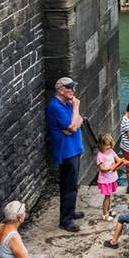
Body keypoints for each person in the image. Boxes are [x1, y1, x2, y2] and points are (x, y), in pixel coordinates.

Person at [46, 76, 85, 232]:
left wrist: (73, 123)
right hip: (66, 152)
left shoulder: (67, 103)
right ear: (60, 90)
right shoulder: (56, 106)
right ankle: (65, 220)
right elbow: (72, 127)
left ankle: (70, 211)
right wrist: (75, 110)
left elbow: (79, 121)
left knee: (73, 184)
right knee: (68, 186)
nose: (73, 91)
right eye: (70, 88)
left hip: (74, 148)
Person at [95, 133, 129, 221]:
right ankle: (105, 214)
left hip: (112, 178)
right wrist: (111, 167)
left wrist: (124, 162)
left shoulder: (111, 151)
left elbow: (118, 159)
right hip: (105, 180)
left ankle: (109, 210)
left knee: (109, 196)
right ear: (101, 145)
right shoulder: (100, 156)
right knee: (107, 197)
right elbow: (102, 168)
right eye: (107, 145)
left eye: (110, 144)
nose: (109, 147)